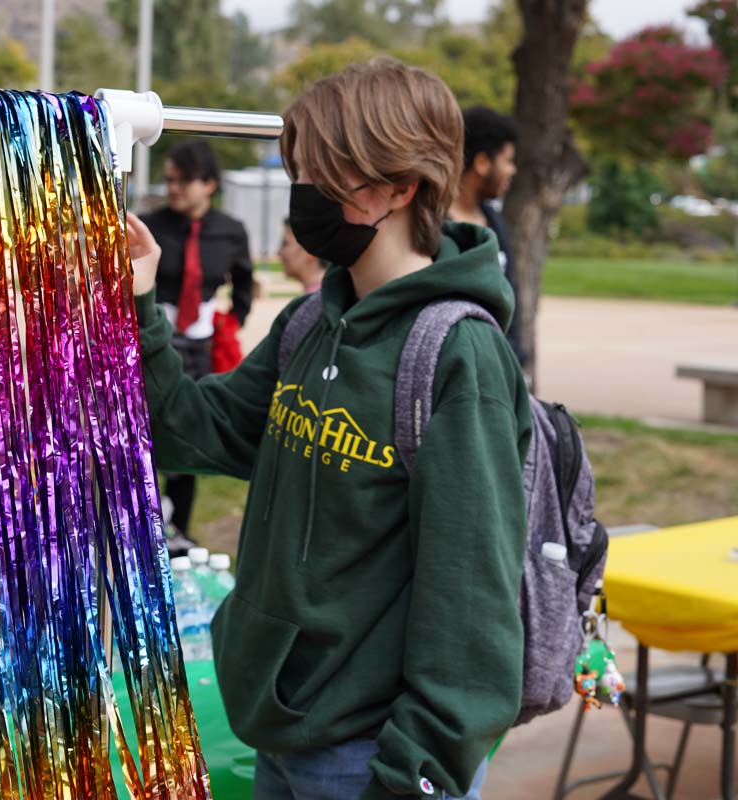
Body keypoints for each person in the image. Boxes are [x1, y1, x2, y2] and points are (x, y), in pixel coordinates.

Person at [126, 58, 531, 800]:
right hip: (281, 733)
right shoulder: (314, 317)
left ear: (400, 188)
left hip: (371, 760)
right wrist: (140, 301)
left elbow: (470, 616)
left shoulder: (457, 356)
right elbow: (196, 431)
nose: (299, 197)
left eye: (319, 176)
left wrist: (410, 775)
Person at [141, 139, 254, 550]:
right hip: (156, 335)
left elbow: (244, 282)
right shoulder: (149, 224)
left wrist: (232, 319)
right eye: (169, 180)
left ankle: (181, 531)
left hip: (201, 343)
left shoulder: (231, 231)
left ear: (208, 184)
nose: (173, 188)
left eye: (183, 181)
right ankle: (144, 525)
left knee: (187, 430)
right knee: (146, 434)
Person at [448, 106, 527, 368]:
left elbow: (510, 296)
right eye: (507, 160)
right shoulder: (434, 226)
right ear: (482, 163)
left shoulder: (494, 222)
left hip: (499, 367)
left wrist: (514, 358)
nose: (512, 170)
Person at [278, 217, 327, 294]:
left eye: (285, 244)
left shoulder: (317, 301)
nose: (279, 252)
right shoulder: (328, 294)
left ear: (310, 249)